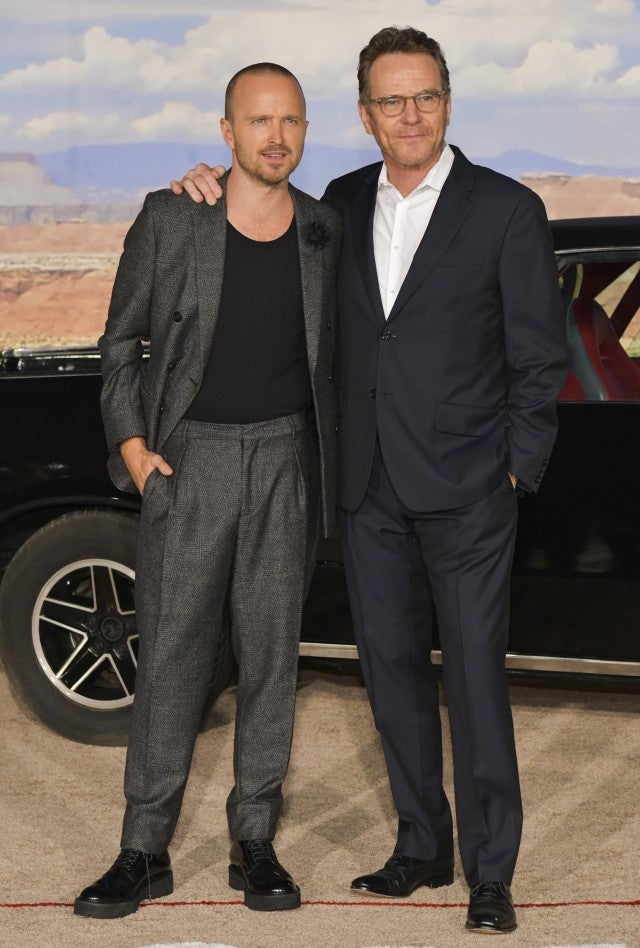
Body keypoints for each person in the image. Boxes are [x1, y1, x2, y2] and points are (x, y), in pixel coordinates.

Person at [171, 27, 567, 935]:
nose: (410, 115)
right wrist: (204, 186)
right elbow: (259, 219)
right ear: (364, 115)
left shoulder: (507, 210)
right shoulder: (339, 206)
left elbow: (539, 357)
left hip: (471, 491)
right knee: (389, 678)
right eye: (392, 100)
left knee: (475, 684)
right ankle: (422, 847)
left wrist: (516, 467)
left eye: (424, 96)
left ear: (448, 104)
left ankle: (491, 871)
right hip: (367, 490)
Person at [74, 63, 341, 919]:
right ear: (227, 132)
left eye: (290, 120)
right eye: (259, 120)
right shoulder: (172, 216)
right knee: (172, 662)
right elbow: (121, 342)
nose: (277, 137)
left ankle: (254, 840)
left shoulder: (325, 229)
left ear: (306, 129)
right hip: (189, 464)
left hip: (286, 463)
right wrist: (134, 448)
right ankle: (142, 848)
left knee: (270, 660)